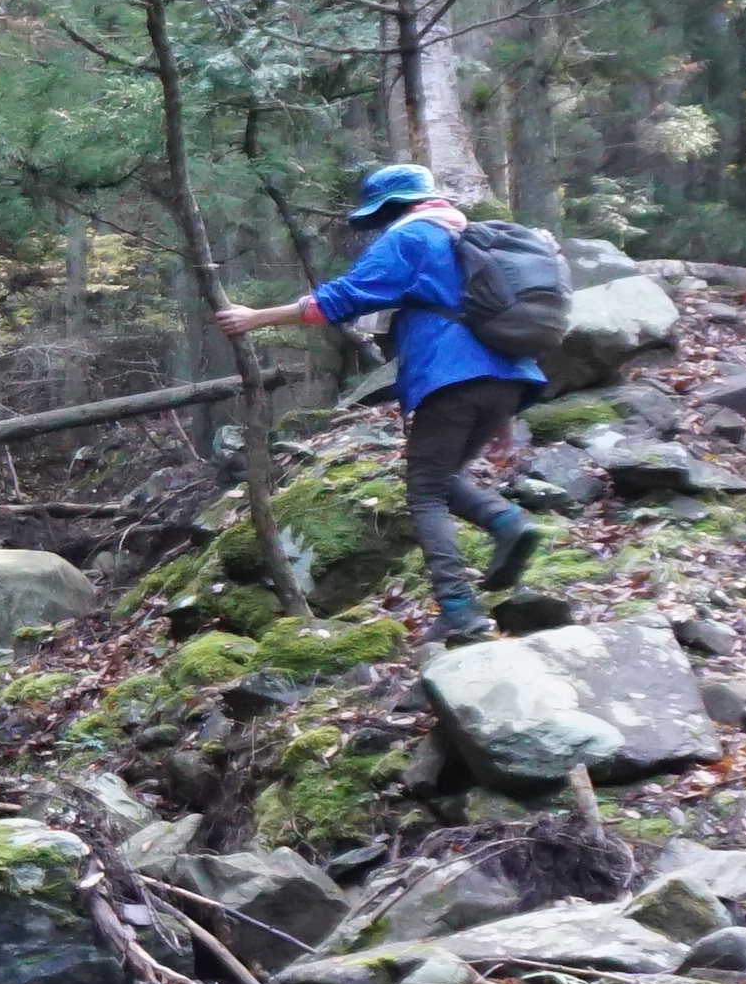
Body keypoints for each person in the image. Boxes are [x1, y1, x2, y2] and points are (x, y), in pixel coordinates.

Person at [215, 160, 548, 641]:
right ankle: (505, 522)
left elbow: (342, 299)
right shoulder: (476, 240)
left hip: (451, 377)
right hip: (511, 379)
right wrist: (504, 420)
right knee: (439, 477)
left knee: (424, 492)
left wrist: (256, 318)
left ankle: (460, 607)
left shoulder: (412, 238)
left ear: (392, 207)